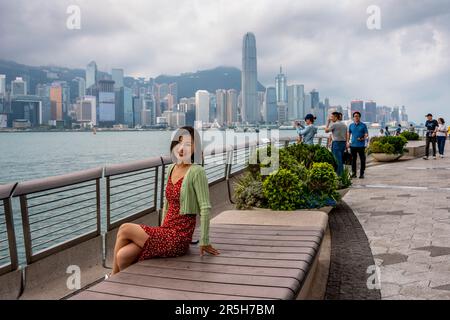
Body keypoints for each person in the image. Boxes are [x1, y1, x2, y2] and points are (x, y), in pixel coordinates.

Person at [110, 126, 219, 276]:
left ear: (196, 147)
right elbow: (167, 204)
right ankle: (126, 286)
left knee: (124, 228)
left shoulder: (196, 171)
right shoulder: (171, 168)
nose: (182, 148)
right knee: (122, 256)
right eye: (179, 143)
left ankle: (111, 279)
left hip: (179, 237)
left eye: (188, 144)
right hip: (165, 232)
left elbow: (205, 208)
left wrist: (204, 240)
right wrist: (160, 231)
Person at [325, 111, 347, 176]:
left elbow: (326, 130)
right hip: (343, 143)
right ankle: (341, 175)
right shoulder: (344, 125)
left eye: (332, 117)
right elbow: (346, 135)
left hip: (336, 143)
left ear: (335, 117)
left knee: (337, 160)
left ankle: (339, 175)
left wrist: (328, 122)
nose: (331, 118)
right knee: (340, 160)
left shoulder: (334, 124)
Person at [347, 111, 369, 179]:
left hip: (361, 146)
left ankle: (362, 174)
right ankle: (354, 174)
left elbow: (366, 134)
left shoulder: (363, 125)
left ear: (359, 117)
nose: (356, 117)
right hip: (353, 145)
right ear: (353, 117)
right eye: (355, 116)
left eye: (357, 116)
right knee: (353, 161)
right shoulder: (351, 125)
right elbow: (349, 134)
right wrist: (347, 142)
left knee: (362, 160)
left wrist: (362, 138)